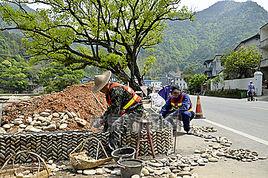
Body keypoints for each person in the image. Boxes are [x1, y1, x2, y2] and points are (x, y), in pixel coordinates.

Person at [92, 71, 144, 150]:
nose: (100, 91)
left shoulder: (116, 91)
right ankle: (108, 143)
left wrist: (104, 120)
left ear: (104, 86)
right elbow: (111, 108)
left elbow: (115, 112)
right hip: (127, 110)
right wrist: (103, 118)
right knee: (108, 123)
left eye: (100, 89)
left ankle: (113, 151)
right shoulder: (110, 91)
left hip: (136, 111)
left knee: (116, 126)